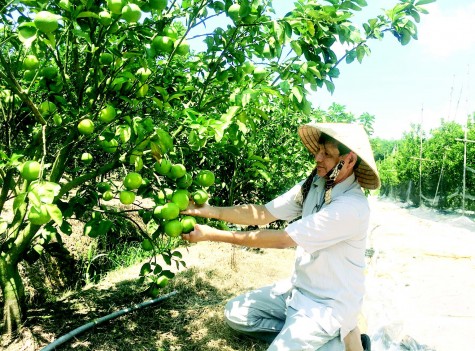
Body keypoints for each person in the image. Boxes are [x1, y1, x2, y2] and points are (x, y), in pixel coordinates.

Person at [181, 122, 380, 351]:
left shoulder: (350, 208)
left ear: (350, 160)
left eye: (326, 154)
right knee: (235, 313)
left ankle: (339, 341)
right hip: (299, 290)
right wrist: (210, 210)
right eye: (318, 150)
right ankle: (312, 337)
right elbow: (264, 213)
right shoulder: (314, 184)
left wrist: (213, 235)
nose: (317, 157)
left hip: (327, 307)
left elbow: (283, 239)